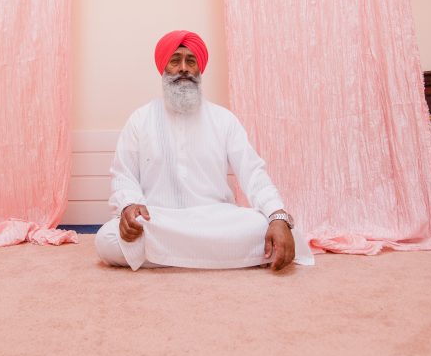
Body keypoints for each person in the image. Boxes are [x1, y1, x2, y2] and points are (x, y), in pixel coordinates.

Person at [95, 30, 314, 272]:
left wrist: (276, 215)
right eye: (175, 60)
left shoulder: (224, 119)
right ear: (163, 67)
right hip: (160, 219)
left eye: (191, 61)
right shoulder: (140, 119)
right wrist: (129, 204)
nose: (183, 68)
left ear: (200, 69)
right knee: (107, 239)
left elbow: (253, 173)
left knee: (266, 226)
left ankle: (166, 257)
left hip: (217, 220)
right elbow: (123, 174)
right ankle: (221, 258)